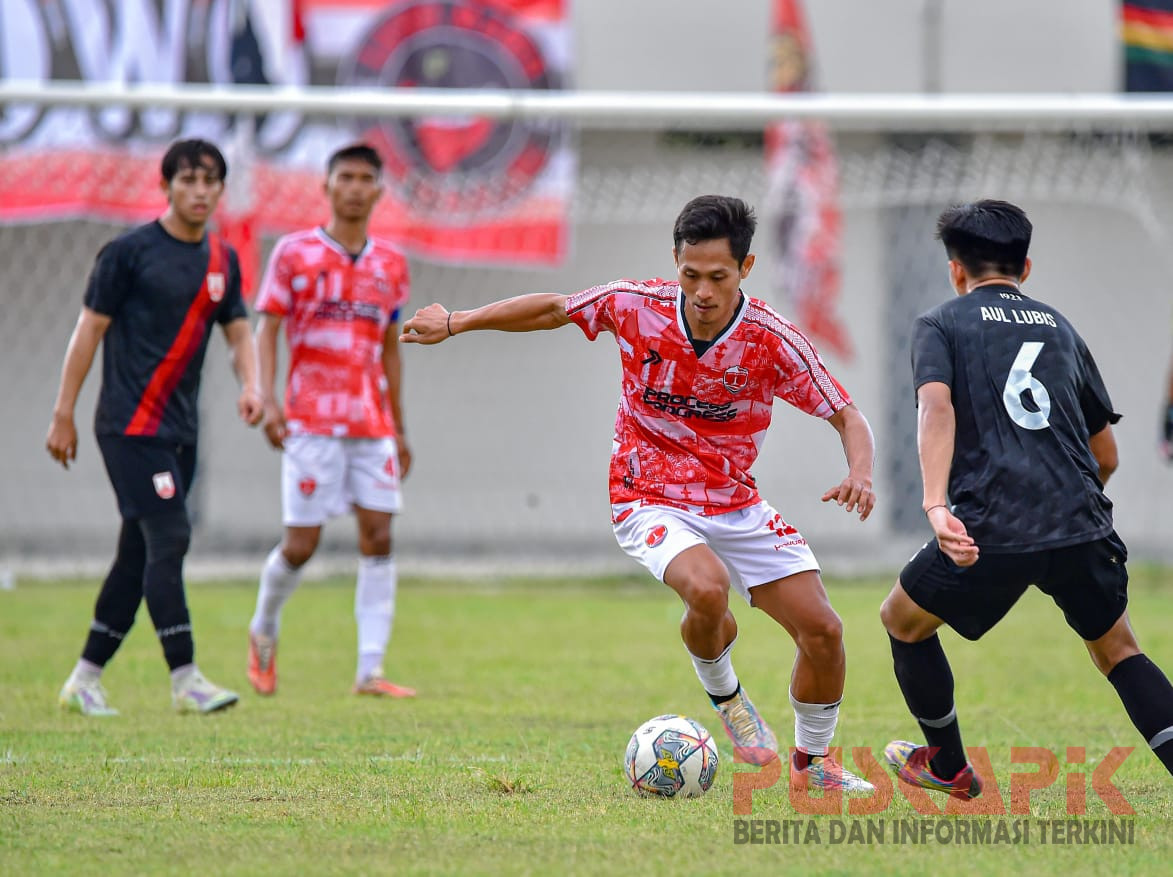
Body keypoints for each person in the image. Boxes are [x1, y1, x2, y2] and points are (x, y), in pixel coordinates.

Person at [401, 195, 877, 791]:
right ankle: (728, 698)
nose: (702, 291)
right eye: (691, 274)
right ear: (675, 262)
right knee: (707, 590)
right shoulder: (635, 304)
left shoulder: (770, 340)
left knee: (824, 631)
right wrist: (456, 322)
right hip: (644, 493)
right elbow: (553, 309)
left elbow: (848, 415)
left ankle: (816, 766)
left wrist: (859, 471)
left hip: (734, 502)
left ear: (746, 270)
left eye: (718, 277)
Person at [881, 199, 1173, 798]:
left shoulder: (940, 322)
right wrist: (1063, 520)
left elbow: (935, 407)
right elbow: (1107, 456)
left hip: (989, 526)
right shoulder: (1061, 327)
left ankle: (948, 767)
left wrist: (937, 506)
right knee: (1119, 649)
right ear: (1027, 268)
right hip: (1079, 521)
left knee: (903, 621)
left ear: (955, 270)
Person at [46, 138, 262, 716]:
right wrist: (63, 413)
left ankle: (84, 679)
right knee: (171, 536)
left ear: (221, 189)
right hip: (127, 425)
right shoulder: (128, 253)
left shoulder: (222, 259)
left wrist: (253, 384)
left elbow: (239, 331)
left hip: (179, 432)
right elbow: (87, 332)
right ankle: (185, 678)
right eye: (187, 180)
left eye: (209, 180)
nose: (198, 191)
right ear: (165, 186)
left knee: (137, 555)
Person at [246, 143, 414, 699]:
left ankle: (370, 670)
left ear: (379, 191)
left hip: (370, 423)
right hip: (311, 421)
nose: (356, 187)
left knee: (380, 535)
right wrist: (269, 399)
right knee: (301, 544)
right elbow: (266, 328)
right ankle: (263, 627)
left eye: (367, 178)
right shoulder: (294, 254)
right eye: (346, 176)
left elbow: (391, 348)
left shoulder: (390, 263)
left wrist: (399, 425)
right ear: (326, 185)